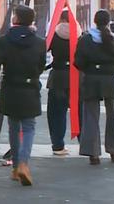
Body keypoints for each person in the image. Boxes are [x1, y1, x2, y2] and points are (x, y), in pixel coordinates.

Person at [0, 5, 45, 186]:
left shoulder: (3, 40)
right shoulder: (39, 42)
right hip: (30, 88)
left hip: (11, 88)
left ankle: (15, 168)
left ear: (16, 19)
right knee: (29, 127)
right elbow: (41, 66)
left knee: (14, 127)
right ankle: (23, 163)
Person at [75, 10, 114, 165]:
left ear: (94, 21)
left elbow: (78, 62)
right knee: (112, 116)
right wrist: (108, 69)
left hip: (91, 79)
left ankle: (93, 153)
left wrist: (90, 69)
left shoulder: (85, 40)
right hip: (109, 79)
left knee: (90, 116)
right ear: (108, 22)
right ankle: (113, 150)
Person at [46, 11, 72, 156]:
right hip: (75, 77)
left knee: (56, 113)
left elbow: (44, 48)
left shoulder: (54, 35)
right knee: (79, 112)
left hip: (57, 76)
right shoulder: (79, 34)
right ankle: (85, 144)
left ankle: (58, 145)